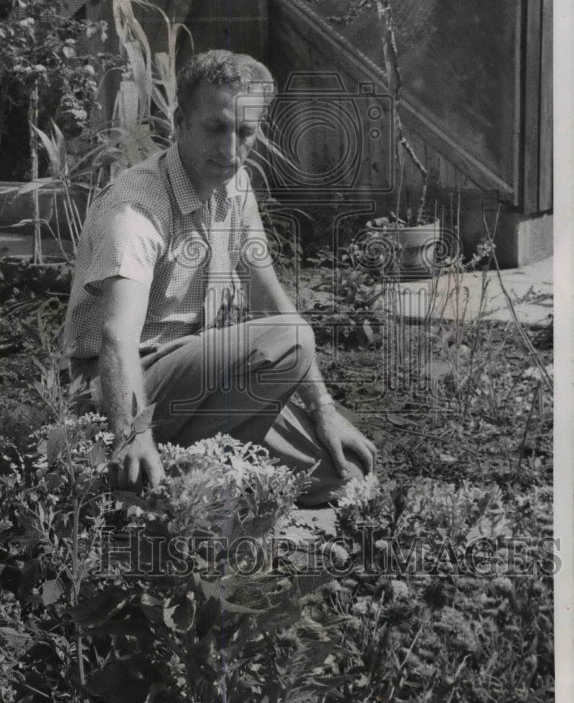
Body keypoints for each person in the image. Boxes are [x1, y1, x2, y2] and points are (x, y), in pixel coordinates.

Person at [64, 49, 376, 505]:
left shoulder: (236, 188)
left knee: (342, 475)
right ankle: (146, 463)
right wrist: (133, 433)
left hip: (199, 387)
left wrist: (324, 409)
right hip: (114, 392)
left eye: (245, 132)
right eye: (216, 128)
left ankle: (189, 469)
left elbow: (269, 299)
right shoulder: (136, 207)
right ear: (180, 122)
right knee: (291, 339)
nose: (231, 150)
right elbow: (116, 338)